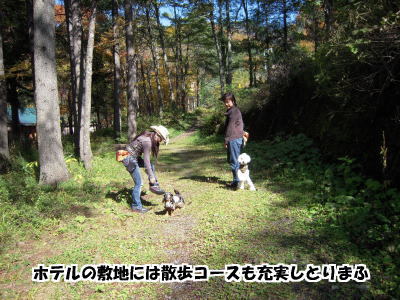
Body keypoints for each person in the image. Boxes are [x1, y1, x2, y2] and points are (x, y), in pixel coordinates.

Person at [122, 125, 169, 213]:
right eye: (161, 139)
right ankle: (136, 206)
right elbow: (146, 160)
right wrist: (151, 176)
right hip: (128, 158)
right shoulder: (147, 141)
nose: (161, 141)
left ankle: (154, 186)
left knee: (151, 166)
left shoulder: (149, 136)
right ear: (157, 135)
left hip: (134, 157)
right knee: (139, 183)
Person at [221, 92, 244, 190]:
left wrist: (226, 140)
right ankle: (237, 180)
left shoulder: (234, 111)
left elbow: (230, 127)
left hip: (233, 138)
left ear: (233, 101)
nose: (226, 104)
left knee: (234, 161)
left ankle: (237, 182)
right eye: (225, 102)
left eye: (228, 101)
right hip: (235, 138)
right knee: (233, 160)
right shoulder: (233, 111)